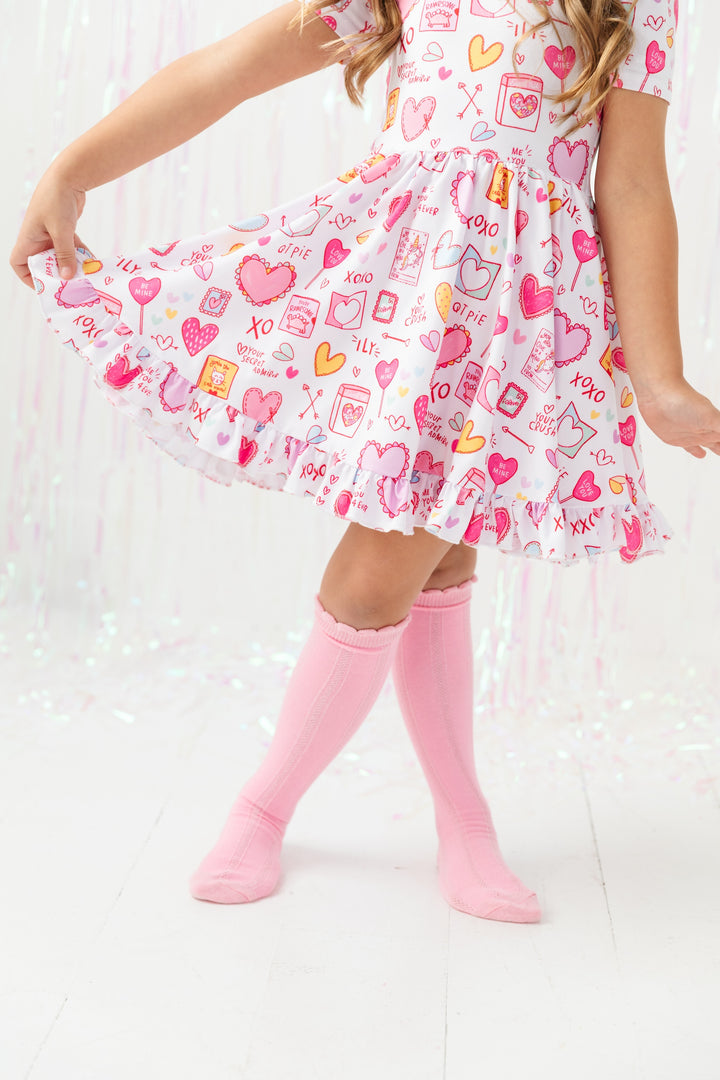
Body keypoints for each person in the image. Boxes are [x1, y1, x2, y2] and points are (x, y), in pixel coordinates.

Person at [9, 0, 720, 923]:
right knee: (390, 559)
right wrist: (72, 171)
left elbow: (629, 184)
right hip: (405, 302)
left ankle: (456, 822)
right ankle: (282, 806)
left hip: (516, 326)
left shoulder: (631, 6)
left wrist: (659, 375)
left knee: (437, 554)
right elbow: (233, 66)